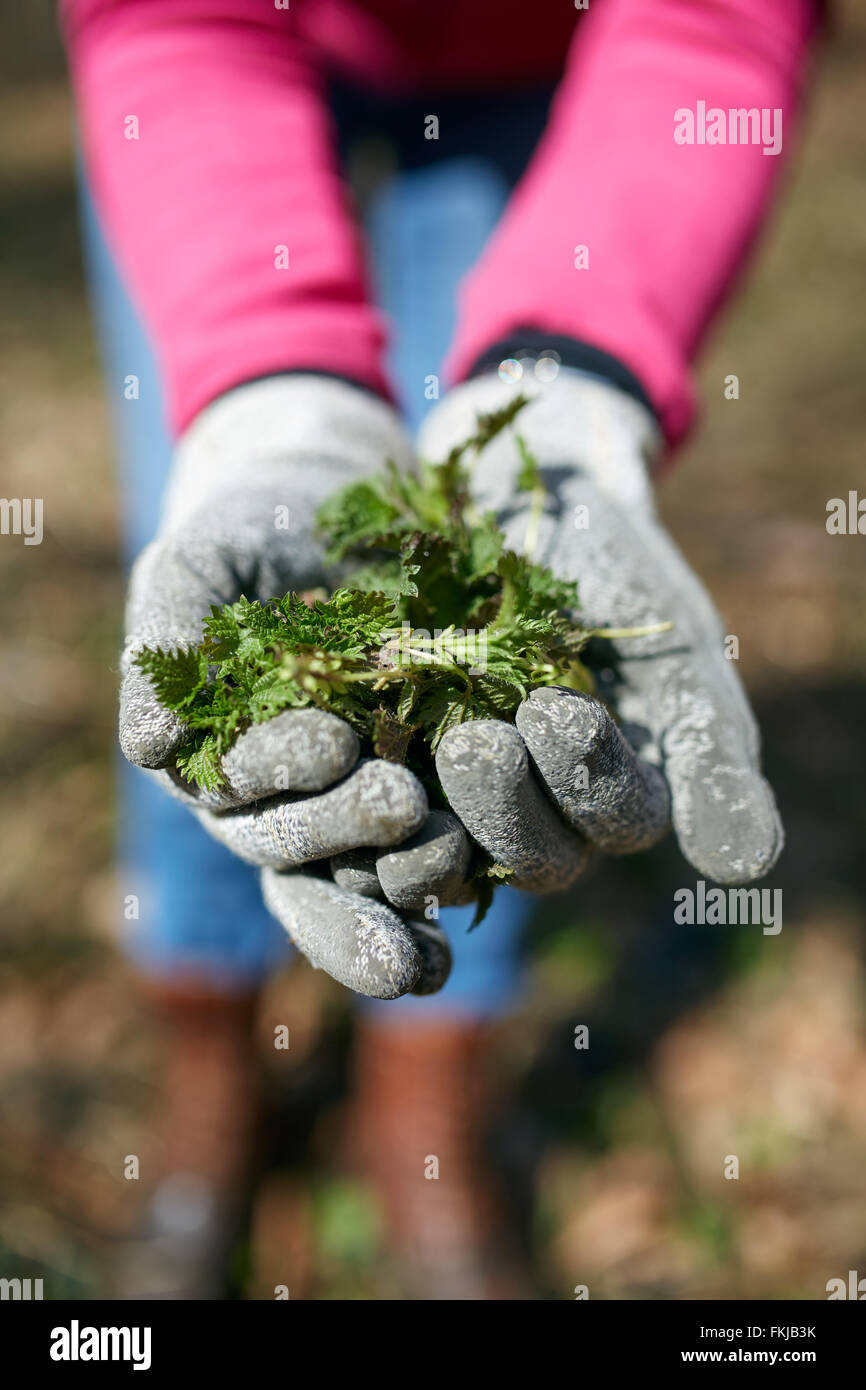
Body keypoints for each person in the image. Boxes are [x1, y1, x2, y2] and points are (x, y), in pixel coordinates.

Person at [62, 0, 821, 1299]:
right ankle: (210, 1067)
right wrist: (266, 395)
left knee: (515, 743)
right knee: (208, 572)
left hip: (560, 61)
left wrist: (570, 389)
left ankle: (428, 1099)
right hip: (221, 53)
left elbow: (711, 23)